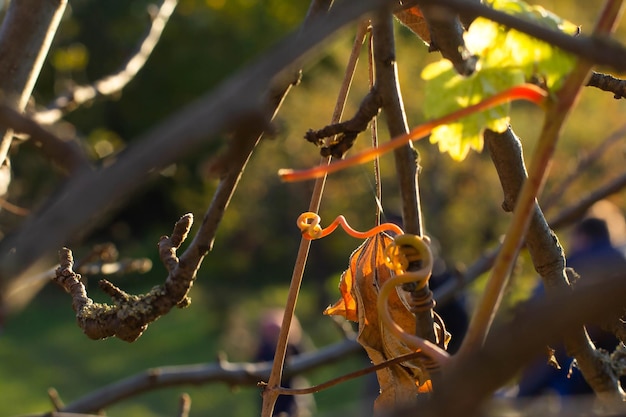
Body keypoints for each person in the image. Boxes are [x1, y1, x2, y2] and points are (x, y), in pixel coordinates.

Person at [517, 214, 626, 397]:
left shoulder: (572, 265)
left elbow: (536, 305)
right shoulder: (620, 258)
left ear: (582, 237)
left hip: (574, 360)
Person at [254, 309, 314, 417]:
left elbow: (309, 362)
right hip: (271, 399)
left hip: (294, 398)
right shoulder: (264, 349)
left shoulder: (294, 347)